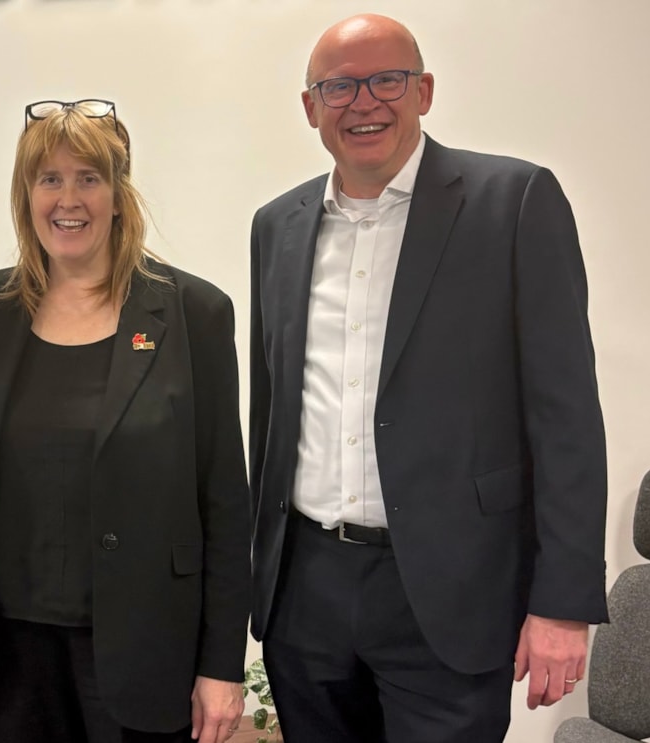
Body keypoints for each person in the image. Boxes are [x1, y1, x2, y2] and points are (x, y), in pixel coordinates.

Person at [248, 14, 608, 742]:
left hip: (453, 593)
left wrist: (563, 601)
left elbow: (566, 416)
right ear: (311, 106)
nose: (365, 102)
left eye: (388, 80)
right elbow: (273, 411)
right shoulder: (276, 225)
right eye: (339, 87)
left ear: (425, 91)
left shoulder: (514, 203)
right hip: (305, 591)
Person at [0, 99, 251, 743]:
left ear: (119, 194)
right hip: (14, 649)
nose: (67, 199)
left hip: (147, 646)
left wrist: (221, 666)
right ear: (26, 195)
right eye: (49, 179)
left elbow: (224, 503)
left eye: (88, 178)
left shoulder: (195, 312)